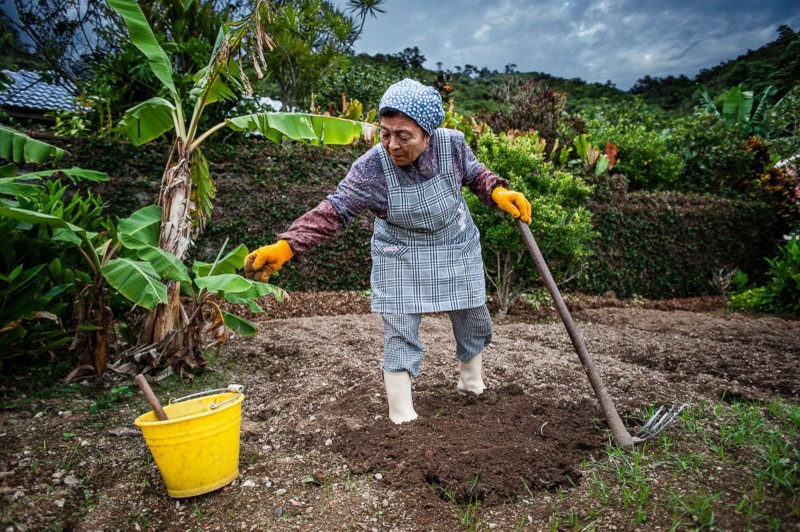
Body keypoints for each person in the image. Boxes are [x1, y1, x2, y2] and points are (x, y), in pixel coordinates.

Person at [244, 78, 531, 424]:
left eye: (403, 135)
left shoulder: (452, 145)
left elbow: (475, 175)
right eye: (385, 133)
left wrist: (498, 192)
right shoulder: (371, 168)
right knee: (399, 326)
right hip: (400, 252)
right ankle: (401, 414)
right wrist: (288, 245)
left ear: (428, 134)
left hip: (454, 244)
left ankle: (471, 384)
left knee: (473, 315)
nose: (392, 144)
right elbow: (335, 209)